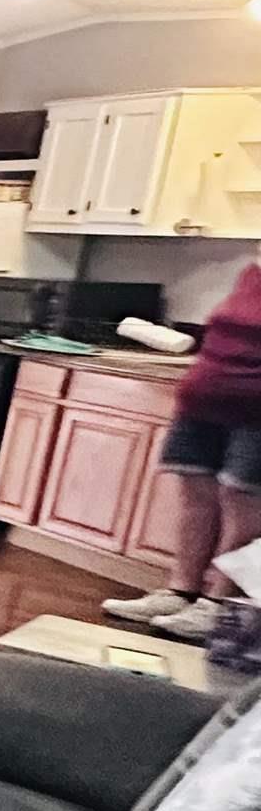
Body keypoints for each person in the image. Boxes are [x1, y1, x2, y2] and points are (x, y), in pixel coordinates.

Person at [104, 258, 261, 641]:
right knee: (196, 496)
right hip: (205, 398)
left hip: (257, 407)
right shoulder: (252, 273)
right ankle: (180, 592)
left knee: (242, 501)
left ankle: (219, 607)